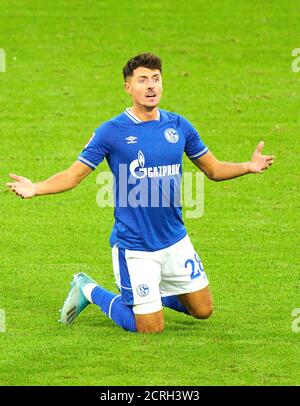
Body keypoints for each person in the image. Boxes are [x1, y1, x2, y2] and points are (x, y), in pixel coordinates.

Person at [6, 53, 275, 334]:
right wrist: (35, 187)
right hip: (135, 245)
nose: (151, 86)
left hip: (174, 239)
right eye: (143, 80)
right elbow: (73, 176)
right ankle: (88, 288)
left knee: (203, 311)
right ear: (128, 87)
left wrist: (248, 166)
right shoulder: (111, 131)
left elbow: (214, 169)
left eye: (156, 79)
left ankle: (147, 296)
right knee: (150, 327)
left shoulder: (178, 126)